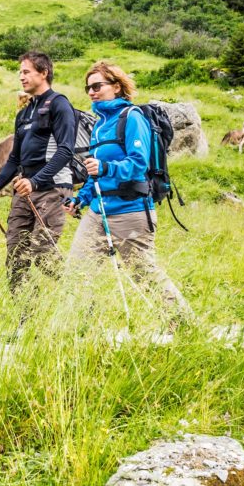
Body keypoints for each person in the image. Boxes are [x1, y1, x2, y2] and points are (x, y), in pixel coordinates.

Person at [63, 60, 191, 321]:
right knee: (76, 272)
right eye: (88, 88)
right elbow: (94, 173)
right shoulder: (100, 125)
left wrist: (106, 166)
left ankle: (184, 325)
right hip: (98, 213)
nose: (91, 92)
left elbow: (138, 164)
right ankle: (79, 329)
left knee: (144, 274)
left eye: (97, 86)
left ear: (117, 87)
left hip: (130, 211)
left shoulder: (132, 117)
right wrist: (81, 199)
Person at [0, 51, 76, 292]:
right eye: (20, 72)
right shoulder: (24, 114)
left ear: (44, 73)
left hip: (53, 189)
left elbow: (66, 151)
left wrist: (36, 181)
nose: (21, 77)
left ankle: (81, 296)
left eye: (26, 71)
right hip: (24, 191)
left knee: (42, 253)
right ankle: (25, 319)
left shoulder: (59, 104)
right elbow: (14, 160)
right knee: (15, 256)